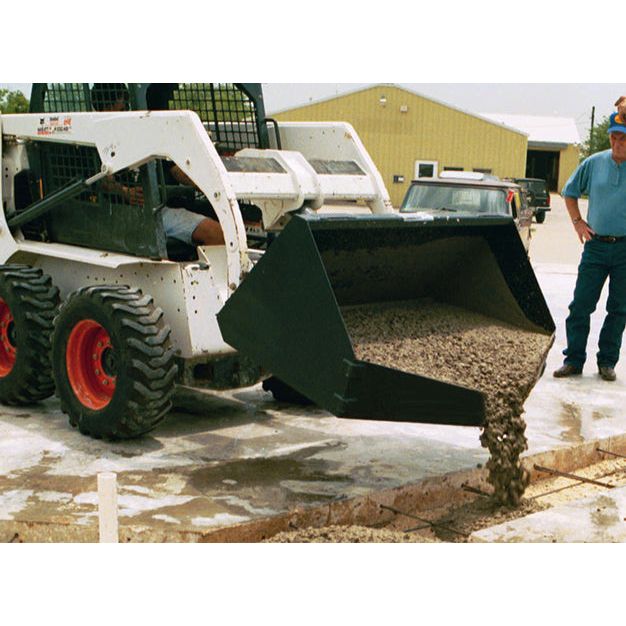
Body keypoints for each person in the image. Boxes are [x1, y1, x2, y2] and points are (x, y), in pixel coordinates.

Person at [90, 83, 224, 247]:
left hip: (156, 208)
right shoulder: (94, 140)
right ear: (105, 107)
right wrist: (125, 192)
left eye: (125, 107)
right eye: (120, 107)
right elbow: (101, 182)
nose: (124, 112)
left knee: (218, 224)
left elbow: (173, 169)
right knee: (214, 233)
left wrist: (206, 183)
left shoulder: (138, 133)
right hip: (126, 215)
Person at [553, 107, 626, 382]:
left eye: (624, 139)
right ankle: (573, 360)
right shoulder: (594, 163)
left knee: (619, 309)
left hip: (624, 250)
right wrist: (577, 223)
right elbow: (570, 192)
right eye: (614, 137)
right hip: (595, 246)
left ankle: (607, 362)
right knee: (581, 305)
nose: (618, 143)